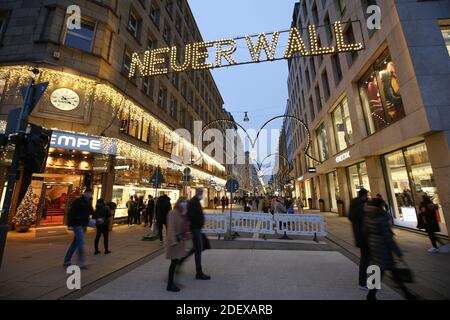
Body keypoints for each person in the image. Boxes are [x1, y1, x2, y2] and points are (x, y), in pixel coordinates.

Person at [364, 198, 417, 300]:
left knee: (383, 271)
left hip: (374, 245)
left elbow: (365, 232)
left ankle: (406, 293)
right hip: (383, 247)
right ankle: (406, 293)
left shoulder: (368, 216)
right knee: (388, 270)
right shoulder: (381, 217)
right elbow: (388, 237)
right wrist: (398, 253)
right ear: (380, 206)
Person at [182, 188, 211, 280]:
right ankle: (199, 273)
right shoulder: (192, 202)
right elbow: (190, 216)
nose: (202, 195)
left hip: (198, 229)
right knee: (198, 249)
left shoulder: (196, 201)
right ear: (198, 193)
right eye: (201, 193)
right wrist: (195, 226)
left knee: (197, 248)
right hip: (195, 229)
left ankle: (182, 260)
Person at [63, 189, 94, 269]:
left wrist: (98, 217)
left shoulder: (88, 202)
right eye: (89, 193)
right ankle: (81, 262)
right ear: (85, 193)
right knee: (81, 243)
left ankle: (66, 260)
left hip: (83, 225)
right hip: (77, 224)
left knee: (75, 244)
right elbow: (71, 212)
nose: (89, 195)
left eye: (90, 193)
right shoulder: (78, 201)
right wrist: (70, 224)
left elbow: (92, 212)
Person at [166, 199, 190, 292]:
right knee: (173, 263)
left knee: (175, 262)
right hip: (174, 242)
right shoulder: (172, 213)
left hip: (179, 241)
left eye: (185, 205)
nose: (184, 206)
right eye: (183, 204)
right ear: (179, 204)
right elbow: (171, 228)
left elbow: (185, 227)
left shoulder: (182, 214)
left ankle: (171, 283)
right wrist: (173, 241)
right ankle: (170, 284)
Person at [348, 188, 370, 289]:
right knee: (372, 260)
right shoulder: (365, 206)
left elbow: (350, 217)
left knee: (365, 259)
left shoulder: (354, 204)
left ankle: (364, 282)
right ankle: (370, 284)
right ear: (364, 195)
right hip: (369, 236)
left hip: (360, 235)